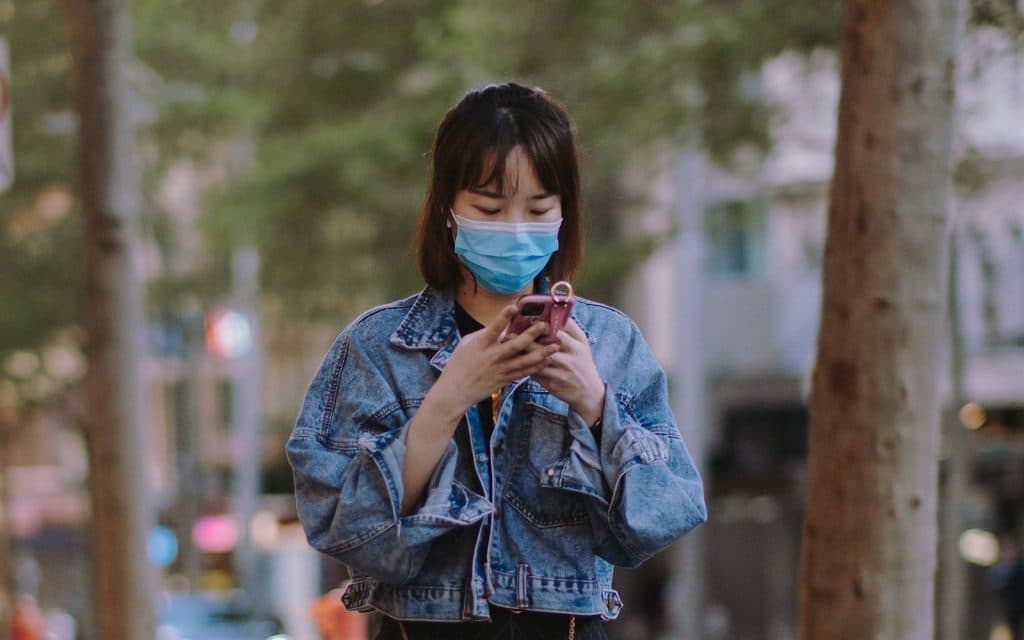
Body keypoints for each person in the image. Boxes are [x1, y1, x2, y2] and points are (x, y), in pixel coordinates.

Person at [287, 82, 707, 640]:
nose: (514, 228)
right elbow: (346, 532)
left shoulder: (608, 342)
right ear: (446, 208)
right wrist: (445, 401)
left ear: (564, 213)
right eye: (489, 207)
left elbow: (665, 516)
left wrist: (597, 405)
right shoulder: (378, 347)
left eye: (538, 208)